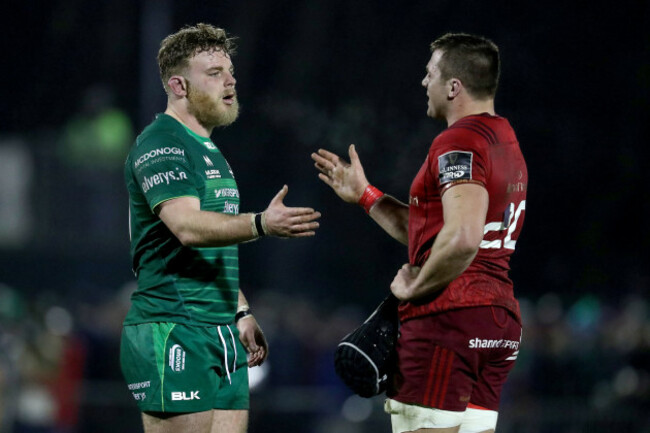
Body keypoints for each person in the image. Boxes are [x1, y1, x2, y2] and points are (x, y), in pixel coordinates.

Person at [313, 33, 527, 433]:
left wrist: (416, 287)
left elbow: (463, 237)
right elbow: (438, 232)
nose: (423, 82)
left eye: (430, 73)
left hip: (448, 319)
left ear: (453, 86)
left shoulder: (458, 140)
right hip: (495, 321)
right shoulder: (505, 140)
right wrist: (366, 195)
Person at [121, 23, 321, 433]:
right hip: (172, 326)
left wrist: (240, 309)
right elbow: (188, 227)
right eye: (213, 73)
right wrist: (262, 223)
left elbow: (211, 248)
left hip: (219, 329)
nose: (229, 81)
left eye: (229, 71)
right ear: (178, 85)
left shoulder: (209, 150)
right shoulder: (161, 143)